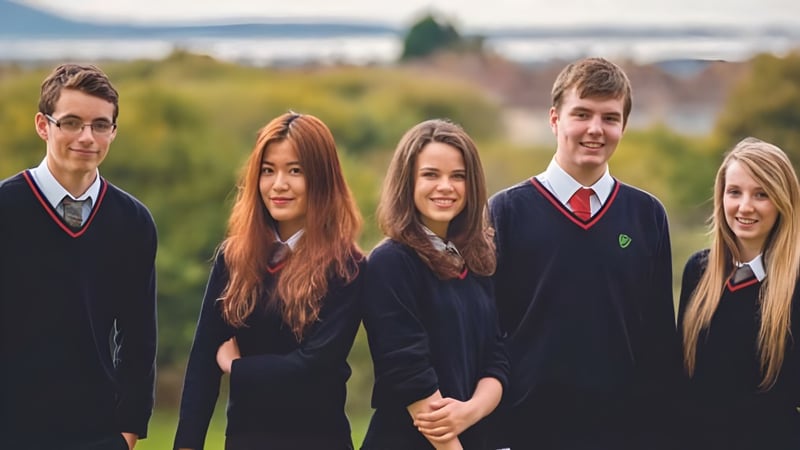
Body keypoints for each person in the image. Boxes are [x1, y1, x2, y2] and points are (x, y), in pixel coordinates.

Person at [488, 57, 682, 449]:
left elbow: (659, 341)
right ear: (555, 118)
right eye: (582, 114)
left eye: (610, 118)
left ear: (623, 126)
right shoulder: (504, 211)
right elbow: (484, 337)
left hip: (622, 434)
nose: (595, 129)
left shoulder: (647, 215)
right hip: (524, 432)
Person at [173, 112, 364, 450]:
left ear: (322, 178)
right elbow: (203, 362)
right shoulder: (233, 258)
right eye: (268, 170)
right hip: (246, 439)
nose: (278, 185)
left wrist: (238, 367)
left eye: (295, 171)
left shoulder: (348, 266)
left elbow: (314, 367)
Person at [0, 64, 157, 449]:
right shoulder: (6, 209)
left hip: (97, 434)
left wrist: (129, 431)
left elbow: (139, 338)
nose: (87, 137)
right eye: (71, 122)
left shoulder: (133, 221)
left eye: (100, 125)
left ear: (113, 132)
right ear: (43, 125)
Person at [360, 119, 508, 450]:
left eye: (458, 176)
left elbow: (497, 357)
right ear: (407, 182)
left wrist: (471, 411)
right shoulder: (391, 262)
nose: (446, 186)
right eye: (430, 175)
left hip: (476, 436)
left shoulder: (479, 259)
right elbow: (408, 374)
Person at [677, 137, 800, 450]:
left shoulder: (795, 285)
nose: (745, 206)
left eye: (762, 194)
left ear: (783, 200)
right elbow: (682, 384)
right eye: (735, 192)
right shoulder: (698, 272)